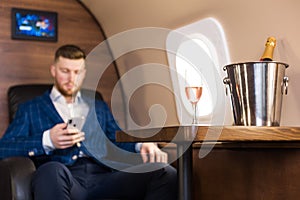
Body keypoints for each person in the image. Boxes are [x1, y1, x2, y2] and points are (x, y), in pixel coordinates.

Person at [0, 44, 177, 200]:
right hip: (64, 177)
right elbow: (4, 148)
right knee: (51, 170)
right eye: (65, 71)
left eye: (77, 72)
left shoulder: (98, 106)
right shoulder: (30, 108)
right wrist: (47, 140)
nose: (72, 79)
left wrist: (140, 145)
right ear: (53, 70)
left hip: (104, 179)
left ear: (84, 73)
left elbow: (115, 140)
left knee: (163, 171)